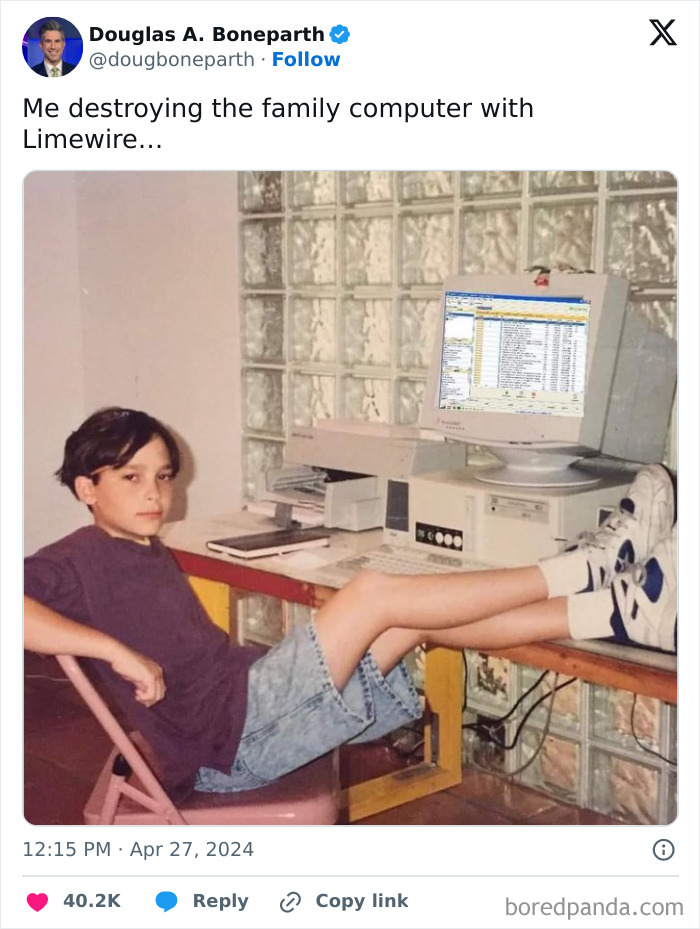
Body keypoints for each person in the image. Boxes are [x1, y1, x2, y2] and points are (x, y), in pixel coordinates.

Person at [24, 408, 677, 801]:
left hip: (245, 704)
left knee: (412, 615)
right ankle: (584, 567)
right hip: (231, 743)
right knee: (371, 591)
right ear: (87, 488)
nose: (154, 493)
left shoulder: (140, 545)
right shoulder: (79, 556)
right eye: (131, 478)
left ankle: (615, 612)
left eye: (163, 476)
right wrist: (111, 650)